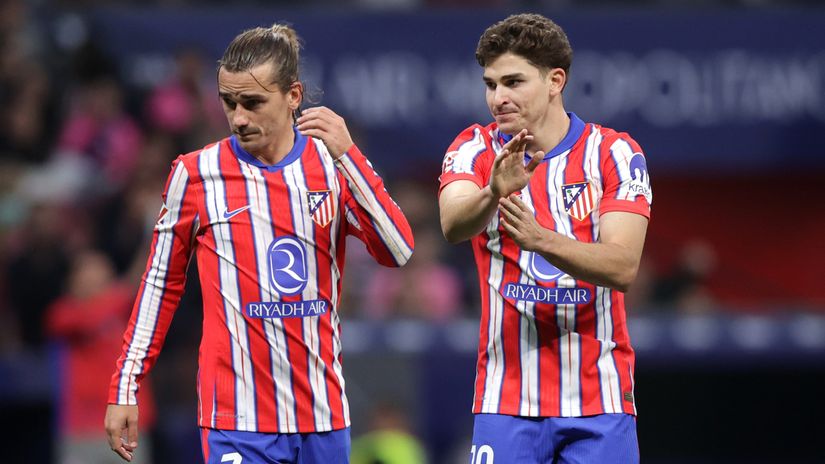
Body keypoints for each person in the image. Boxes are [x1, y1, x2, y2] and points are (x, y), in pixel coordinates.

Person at [104, 23, 414, 464]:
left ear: (293, 95)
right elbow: (160, 284)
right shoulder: (196, 174)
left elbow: (397, 250)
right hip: (236, 419)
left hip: (322, 415)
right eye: (228, 102)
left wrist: (350, 155)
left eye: (252, 102)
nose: (238, 118)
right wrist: (125, 385)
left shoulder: (332, 166)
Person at [438, 14, 651, 463]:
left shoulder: (613, 153)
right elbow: (453, 224)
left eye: (513, 82)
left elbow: (623, 266)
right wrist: (492, 192)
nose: (498, 98)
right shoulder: (474, 148)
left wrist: (542, 240)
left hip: (600, 399)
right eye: (491, 84)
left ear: (555, 81)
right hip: (506, 399)